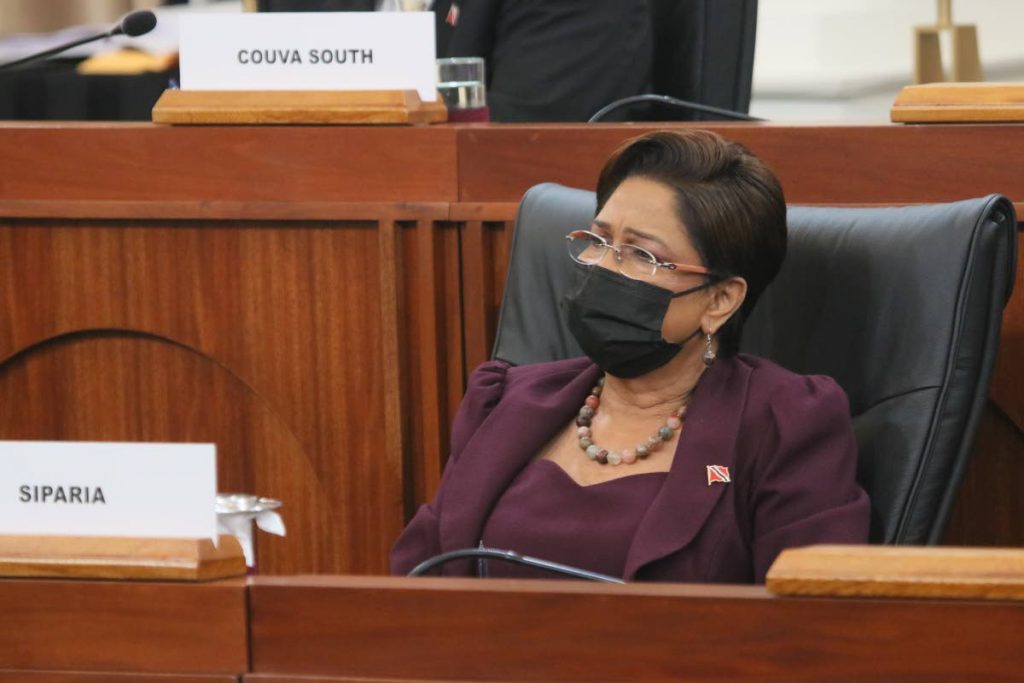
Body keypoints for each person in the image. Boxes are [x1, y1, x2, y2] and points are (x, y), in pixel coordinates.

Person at [391, 130, 870, 583]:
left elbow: (811, 631)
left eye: (641, 256)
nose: (603, 268)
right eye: (599, 242)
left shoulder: (784, 425)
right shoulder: (505, 401)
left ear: (719, 300)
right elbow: (418, 580)